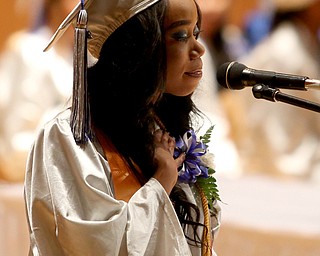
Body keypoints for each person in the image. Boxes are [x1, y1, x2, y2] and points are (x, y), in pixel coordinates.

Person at [24, 0, 221, 255]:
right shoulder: (73, 138)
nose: (199, 49)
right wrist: (161, 182)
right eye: (180, 35)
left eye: (196, 33)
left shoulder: (166, 130)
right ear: (138, 48)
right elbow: (96, 245)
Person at [223, 0, 320, 178]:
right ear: (313, 6)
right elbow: (277, 146)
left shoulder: (302, 43)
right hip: (288, 179)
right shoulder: (284, 51)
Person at [0, 0, 78, 182]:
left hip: (59, 171)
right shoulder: (29, 50)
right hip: (25, 170)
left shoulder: (78, 58)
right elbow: (16, 124)